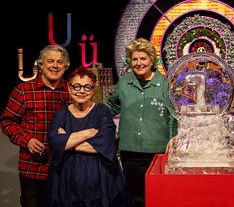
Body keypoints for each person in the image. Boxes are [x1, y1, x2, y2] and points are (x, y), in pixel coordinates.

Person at [40, 66, 133, 207]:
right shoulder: (61, 114)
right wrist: (88, 133)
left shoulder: (102, 112)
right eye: (76, 86)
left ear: (93, 88)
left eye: (87, 87)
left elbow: (107, 144)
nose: (81, 91)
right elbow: (54, 142)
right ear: (69, 88)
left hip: (101, 181)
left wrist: (68, 141)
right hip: (65, 183)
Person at [106, 37, 177, 207]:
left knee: (159, 196)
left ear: (152, 60)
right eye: (134, 59)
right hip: (129, 151)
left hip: (159, 151)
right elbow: (112, 105)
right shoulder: (124, 83)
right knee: (137, 197)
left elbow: (173, 116)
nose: (138, 63)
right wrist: (92, 116)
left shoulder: (165, 84)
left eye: (143, 58)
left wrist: (173, 139)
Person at [0, 45, 71, 207]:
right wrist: (27, 140)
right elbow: (6, 121)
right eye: (50, 61)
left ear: (65, 66)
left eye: (60, 62)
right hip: (33, 168)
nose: (55, 65)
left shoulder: (71, 91)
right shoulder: (24, 90)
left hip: (65, 166)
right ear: (40, 64)